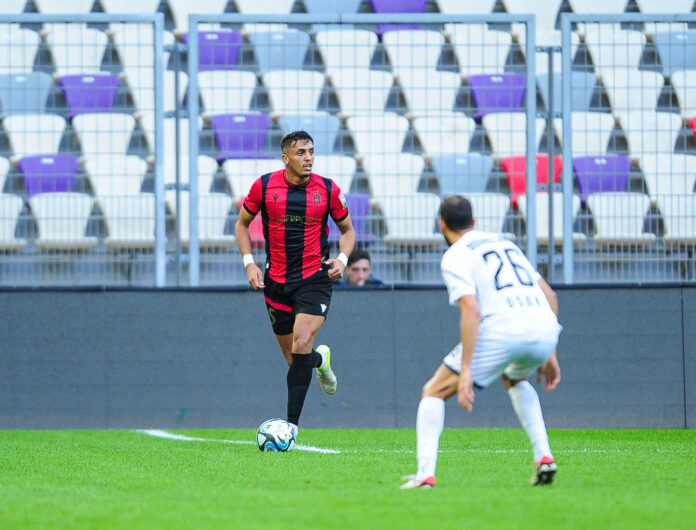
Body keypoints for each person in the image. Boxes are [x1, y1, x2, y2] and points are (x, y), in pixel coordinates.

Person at [400, 195, 562, 489]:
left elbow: (472, 311)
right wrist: (549, 351)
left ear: (441, 224)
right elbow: (550, 295)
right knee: (514, 377)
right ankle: (544, 457)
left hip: (504, 328)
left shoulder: (455, 255)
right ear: (474, 223)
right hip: (544, 326)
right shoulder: (504, 242)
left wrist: (466, 372)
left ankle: (424, 475)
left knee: (434, 391)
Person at [235, 130, 356, 437]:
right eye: (301, 153)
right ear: (286, 158)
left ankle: (290, 429)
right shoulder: (264, 186)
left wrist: (342, 259)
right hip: (275, 281)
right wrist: (249, 264)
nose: (309, 158)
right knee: (296, 360)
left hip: (314, 279)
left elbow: (348, 230)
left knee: (302, 341)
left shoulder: (328, 190)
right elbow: (242, 224)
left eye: (312, 152)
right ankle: (320, 360)